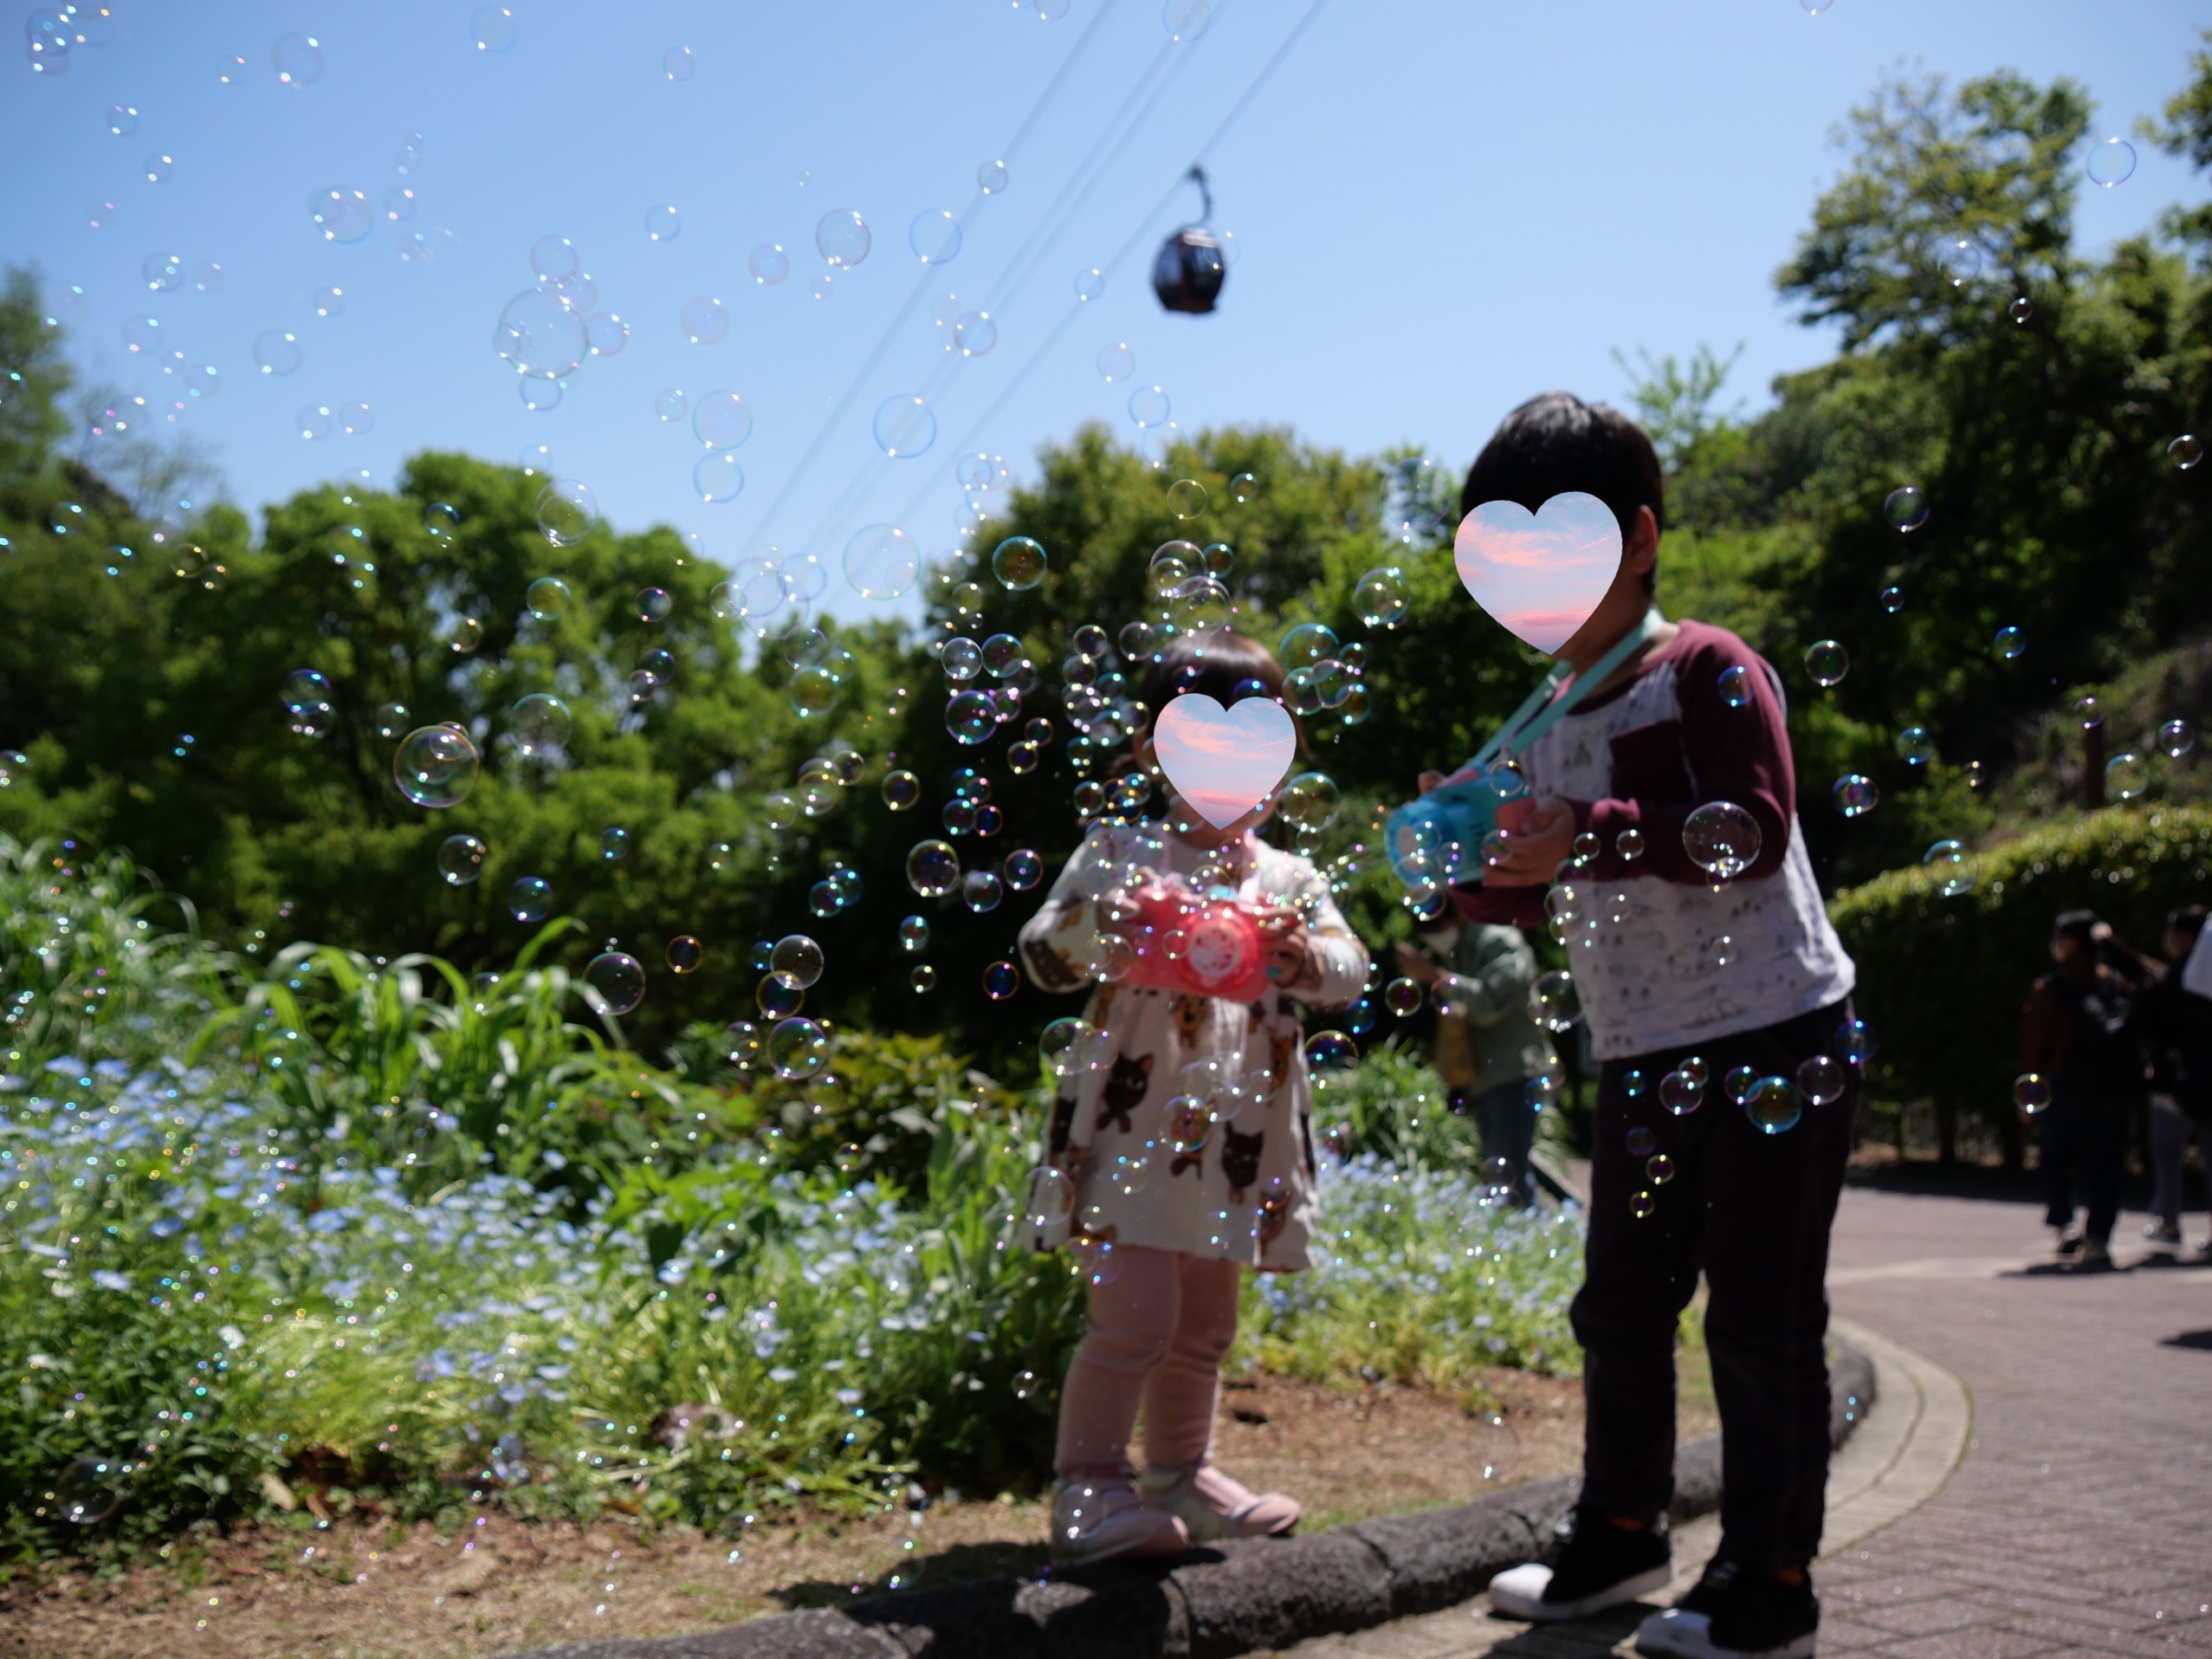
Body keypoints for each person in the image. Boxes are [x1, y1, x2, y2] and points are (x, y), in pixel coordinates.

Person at [1440, 392, 1860, 1659]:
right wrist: (1462, 858)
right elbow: (1529, 878)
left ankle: (1767, 1577)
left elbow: (1750, 829)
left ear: (1634, 539)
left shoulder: (1703, 668)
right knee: (1618, 1306)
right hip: (1642, 1053)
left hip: (1775, 1030)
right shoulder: (1545, 711)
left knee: (1758, 1318)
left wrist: (1598, 830)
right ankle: (1621, 1531)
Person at [1015, 629, 1368, 1566]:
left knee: (1206, 1322)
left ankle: (1181, 1474)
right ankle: (1088, 1488)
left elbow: (1348, 972)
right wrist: (1103, 922)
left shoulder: (1288, 879)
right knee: (1133, 1314)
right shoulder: (1120, 854)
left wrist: (1299, 955)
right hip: (1132, 1130)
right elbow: (1042, 956)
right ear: (1149, 754)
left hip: (1235, 1137)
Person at [1395, 917, 1555, 1203]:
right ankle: (1519, 1235)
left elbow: (1488, 1005)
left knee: (1511, 1174)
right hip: (1484, 1077)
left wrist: (1433, 975)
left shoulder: (1502, 942)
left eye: (1433, 921)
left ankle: (1523, 1237)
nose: (1430, 933)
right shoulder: (1457, 949)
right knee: (1501, 1170)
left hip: (1514, 1072)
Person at [2019, 911, 2144, 1270]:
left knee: (2055, 1158)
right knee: (2107, 1166)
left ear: (2071, 942)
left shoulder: (2050, 989)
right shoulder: (2118, 982)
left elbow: (2034, 1047)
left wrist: (2028, 1094)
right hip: (2115, 1091)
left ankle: (2066, 1224)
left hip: (2066, 1087)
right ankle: (2099, 1240)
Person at [2094, 906, 2211, 1255]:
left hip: (2175, 1081)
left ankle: (2168, 1222)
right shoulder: (2198, 977)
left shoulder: (2183, 981)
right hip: (2203, 1082)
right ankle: (2172, 1222)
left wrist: (2111, 946)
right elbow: (2155, 973)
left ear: (2186, 937)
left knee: (2167, 1152)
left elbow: (2153, 985)